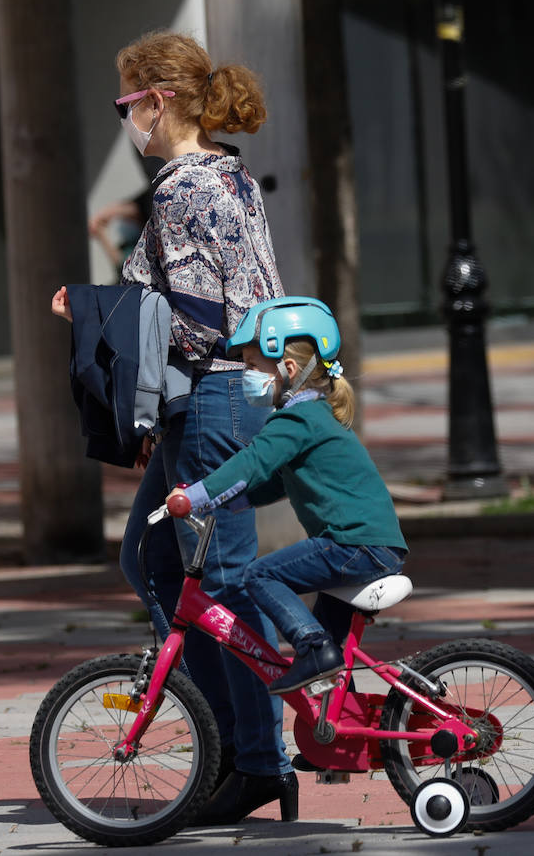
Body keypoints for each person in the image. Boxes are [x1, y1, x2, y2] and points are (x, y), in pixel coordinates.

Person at [51, 29, 293, 824]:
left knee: (216, 584)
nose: (126, 118)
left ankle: (254, 760)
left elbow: (197, 321)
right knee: (154, 558)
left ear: (158, 101)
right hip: (221, 399)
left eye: (127, 103)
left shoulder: (182, 189)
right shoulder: (230, 173)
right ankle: (226, 737)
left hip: (217, 399)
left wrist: (94, 310)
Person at [168, 296, 407, 699]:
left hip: (353, 544)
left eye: (251, 366)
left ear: (288, 368)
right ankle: (338, 741)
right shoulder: (314, 416)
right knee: (331, 672)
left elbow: (252, 462)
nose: (247, 375)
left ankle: (312, 647)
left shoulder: (295, 419)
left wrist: (195, 496)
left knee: (259, 576)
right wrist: (231, 501)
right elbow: (277, 481)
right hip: (369, 545)